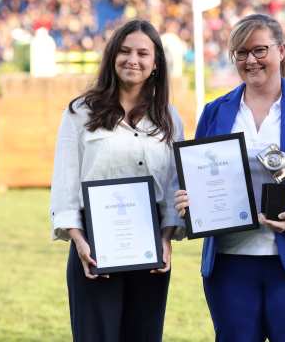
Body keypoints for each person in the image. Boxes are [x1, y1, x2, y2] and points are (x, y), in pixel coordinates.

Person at [174, 14, 285, 342]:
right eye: (241, 53)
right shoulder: (216, 111)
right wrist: (189, 200)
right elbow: (198, 175)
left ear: (281, 51)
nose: (251, 60)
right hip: (230, 263)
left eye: (259, 50)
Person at [50, 19, 184, 342]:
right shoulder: (79, 113)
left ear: (155, 63)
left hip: (150, 248)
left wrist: (166, 239)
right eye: (124, 51)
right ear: (112, 57)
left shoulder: (168, 116)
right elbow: (65, 184)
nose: (132, 60)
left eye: (142, 53)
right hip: (94, 245)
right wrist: (80, 243)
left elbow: (171, 186)